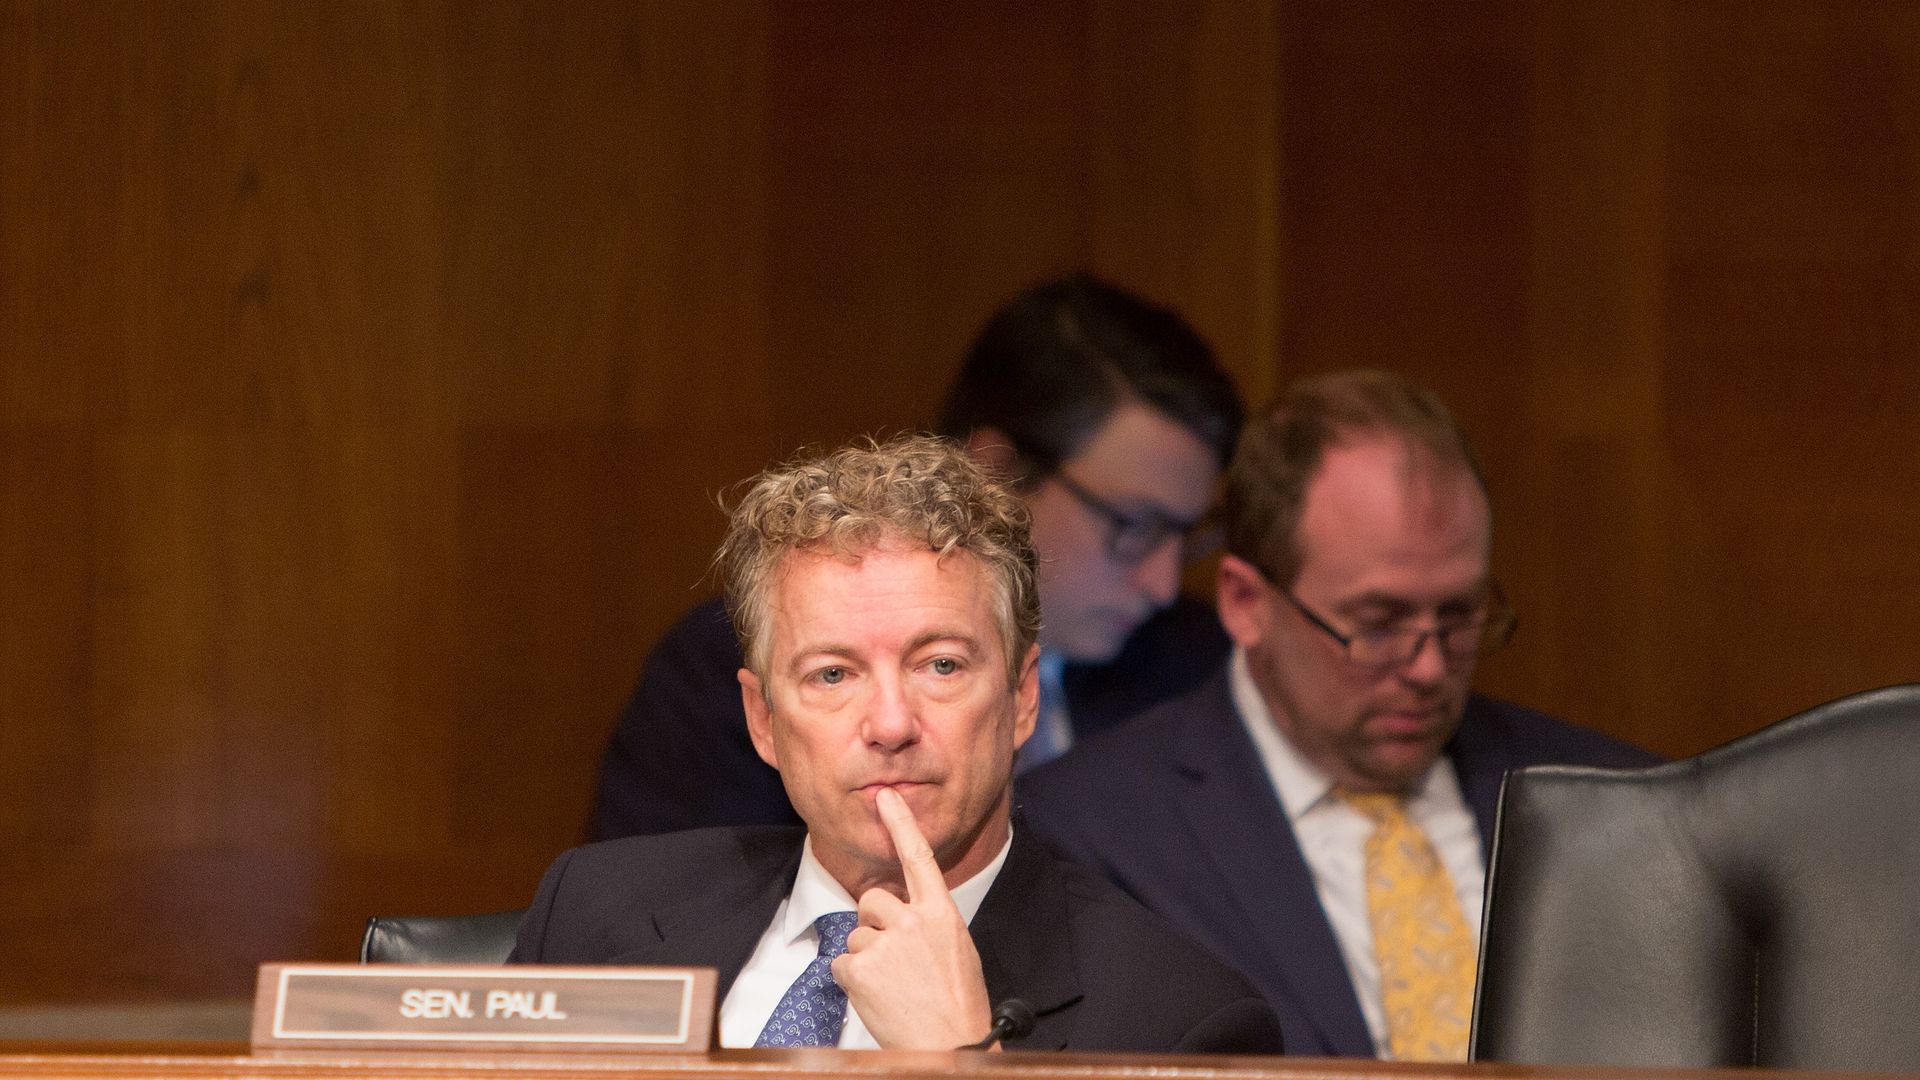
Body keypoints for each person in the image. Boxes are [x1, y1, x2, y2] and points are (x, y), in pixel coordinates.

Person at [511, 436, 1284, 1054]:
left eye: (940, 665)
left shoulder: (1177, 1020)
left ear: (1020, 697)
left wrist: (961, 1062)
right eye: (832, 674)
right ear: (764, 721)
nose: (889, 723)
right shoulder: (597, 912)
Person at [1018, 370, 1659, 1061]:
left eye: (1459, 615)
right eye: (1378, 624)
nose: (1429, 668)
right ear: (1245, 603)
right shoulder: (1092, 835)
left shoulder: (1621, 801)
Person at [588, 274, 1243, 839]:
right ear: (997, 471)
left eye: (1185, 536)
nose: (1163, 583)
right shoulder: (730, 672)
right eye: (1133, 526)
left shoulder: (1203, 677)